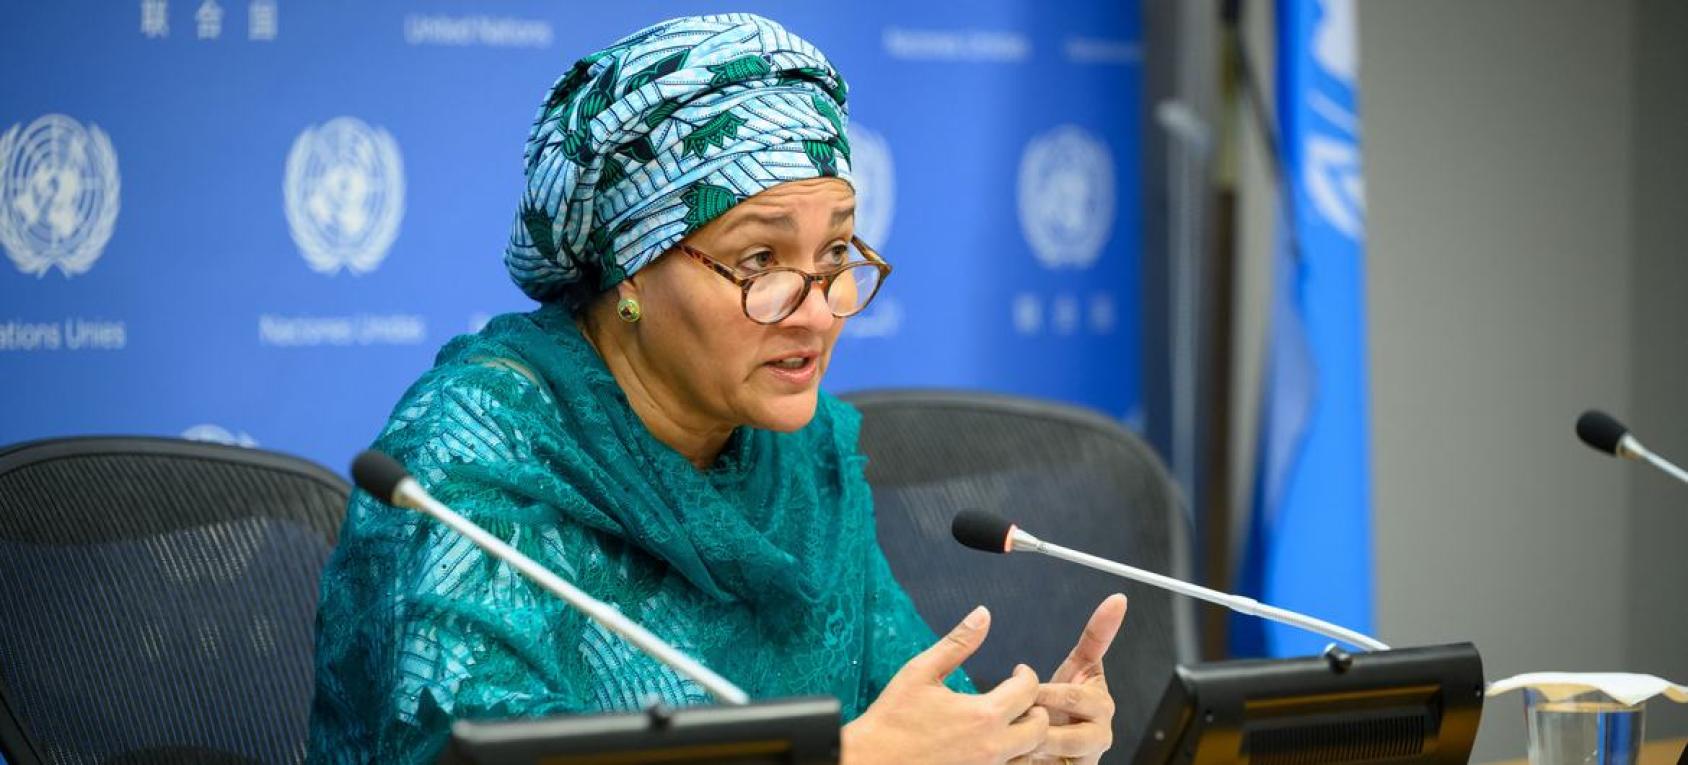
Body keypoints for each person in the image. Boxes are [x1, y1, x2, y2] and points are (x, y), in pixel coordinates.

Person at [307, 13, 1126, 765]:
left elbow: (910, 719)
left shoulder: (804, 459)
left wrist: (1018, 741)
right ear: (629, 270)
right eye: (760, 262)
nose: (817, 313)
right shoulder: (471, 460)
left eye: (836, 254)